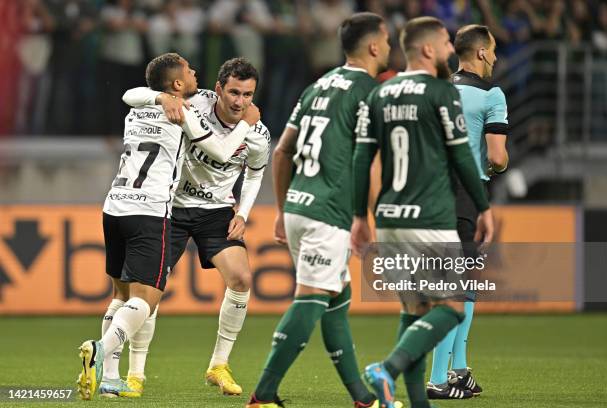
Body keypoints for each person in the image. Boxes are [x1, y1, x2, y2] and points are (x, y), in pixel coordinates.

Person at [76, 52, 260, 400]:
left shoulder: (136, 110)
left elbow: (130, 94)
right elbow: (221, 152)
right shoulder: (186, 112)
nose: (195, 73)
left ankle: (110, 380)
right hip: (152, 211)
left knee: (121, 294)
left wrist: (158, 95)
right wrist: (248, 124)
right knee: (146, 299)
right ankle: (102, 351)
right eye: (190, 71)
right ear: (178, 84)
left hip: (114, 207)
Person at [246, 12, 394, 408]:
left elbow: (282, 151)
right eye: (388, 41)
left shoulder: (317, 87)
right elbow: (369, 160)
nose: (391, 47)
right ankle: (263, 395)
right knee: (311, 297)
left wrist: (281, 209)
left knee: (336, 299)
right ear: (375, 46)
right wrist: (367, 217)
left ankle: (363, 398)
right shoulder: (370, 91)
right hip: (328, 212)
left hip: (298, 205)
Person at [350, 17, 494, 408]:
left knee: (415, 312)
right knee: (451, 305)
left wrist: (360, 216)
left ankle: (418, 403)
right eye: (446, 42)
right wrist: (482, 207)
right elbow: (464, 154)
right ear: (428, 49)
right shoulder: (441, 92)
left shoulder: (379, 93)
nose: (451, 49)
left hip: (392, 218)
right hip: (430, 217)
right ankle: (388, 369)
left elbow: (362, 158)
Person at [427, 24, 509, 400]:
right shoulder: (491, 95)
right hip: (464, 195)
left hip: (429, 194)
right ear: (479, 53)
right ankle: (438, 379)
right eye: (491, 50)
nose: (494, 57)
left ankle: (458, 369)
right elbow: (496, 156)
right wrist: (495, 169)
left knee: (461, 285)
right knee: (456, 288)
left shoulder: (437, 90)